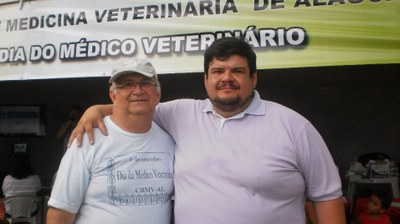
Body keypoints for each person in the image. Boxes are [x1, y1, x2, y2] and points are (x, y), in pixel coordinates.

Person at [69, 37, 346, 223]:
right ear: (206, 79)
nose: (226, 78)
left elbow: (326, 196)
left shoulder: (294, 126)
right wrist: (96, 109)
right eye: (217, 71)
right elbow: (136, 105)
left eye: (237, 71)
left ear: (253, 77)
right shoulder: (181, 113)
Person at [46, 58, 175, 224]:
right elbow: (60, 214)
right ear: (113, 95)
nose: (138, 90)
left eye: (146, 83)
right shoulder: (88, 140)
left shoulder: (169, 140)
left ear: (158, 94)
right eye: (127, 84)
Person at [1, 153, 41, 220]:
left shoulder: (7, 179)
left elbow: (4, 193)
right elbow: (39, 191)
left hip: (10, 212)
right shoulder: (35, 178)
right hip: (31, 211)